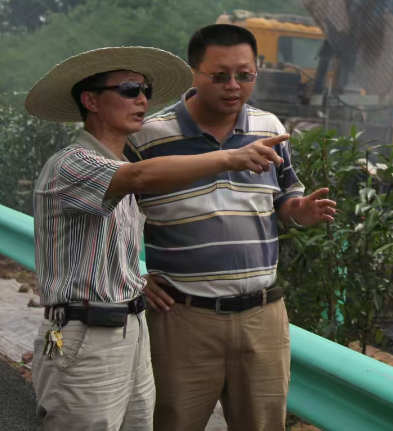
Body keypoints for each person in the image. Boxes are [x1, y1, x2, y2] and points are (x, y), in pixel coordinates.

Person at [26, 47, 292, 431]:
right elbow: (138, 179)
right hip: (87, 338)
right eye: (129, 89)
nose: (142, 100)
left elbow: (116, 242)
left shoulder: (122, 169)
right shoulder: (73, 164)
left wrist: (138, 280)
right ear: (91, 100)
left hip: (131, 331)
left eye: (145, 90)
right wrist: (229, 158)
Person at [128, 25, 336, 431]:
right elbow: (111, 219)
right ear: (194, 73)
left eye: (245, 75)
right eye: (219, 76)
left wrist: (298, 210)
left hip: (262, 316)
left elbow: (283, 198)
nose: (233, 86)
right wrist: (133, 276)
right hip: (182, 318)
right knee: (171, 421)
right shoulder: (150, 137)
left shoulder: (269, 127)